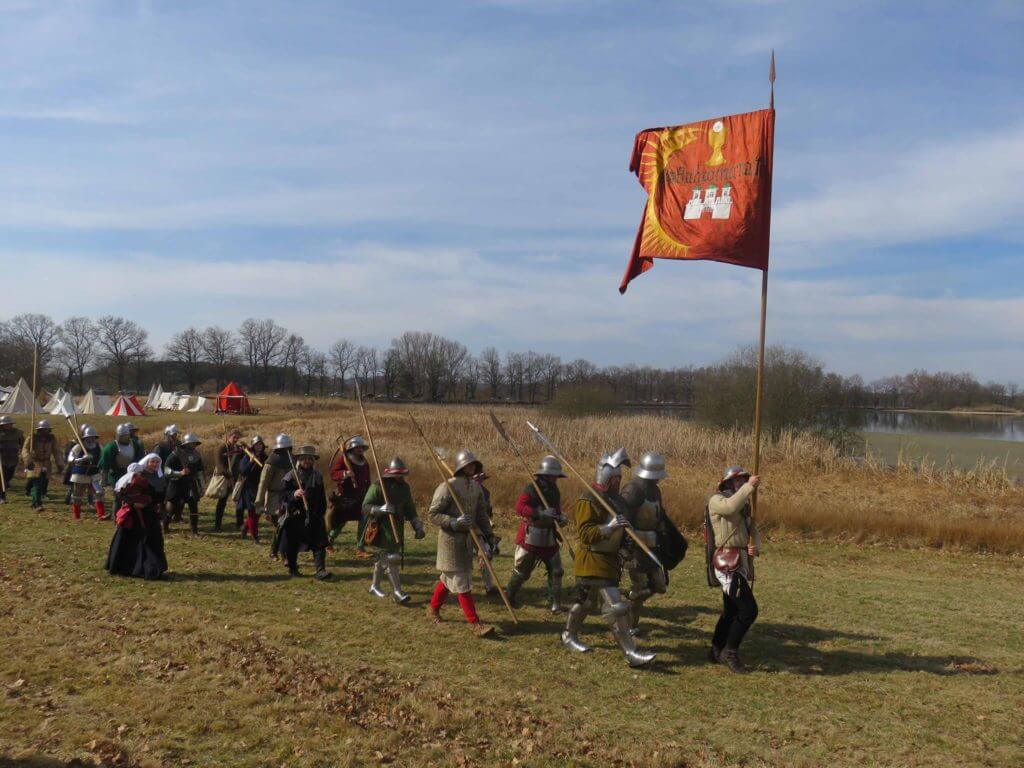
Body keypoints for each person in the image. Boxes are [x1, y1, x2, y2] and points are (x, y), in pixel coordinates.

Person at [561, 449, 656, 668]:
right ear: (606, 478)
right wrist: (610, 526)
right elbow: (586, 534)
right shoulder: (588, 500)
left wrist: (628, 536)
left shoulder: (615, 502)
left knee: (585, 603)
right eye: (616, 478)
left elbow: (621, 533)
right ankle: (631, 653)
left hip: (609, 562)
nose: (619, 482)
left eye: (620, 478)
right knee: (617, 607)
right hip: (592, 560)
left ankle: (568, 635)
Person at [427, 450, 497, 637]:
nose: (471, 467)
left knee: (448, 579)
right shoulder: (447, 486)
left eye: (473, 465)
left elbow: (481, 515)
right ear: (460, 467)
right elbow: (433, 514)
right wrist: (453, 521)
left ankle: (432, 609)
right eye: (468, 465)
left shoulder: (476, 487)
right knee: (462, 581)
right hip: (451, 541)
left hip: (468, 539)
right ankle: (475, 624)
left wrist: (489, 536)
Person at [620, 452, 688, 635]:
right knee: (640, 587)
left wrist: (672, 536)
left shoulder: (655, 490)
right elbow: (623, 523)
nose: (659, 480)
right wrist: (626, 551)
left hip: (652, 545)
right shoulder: (632, 490)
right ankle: (630, 627)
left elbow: (659, 515)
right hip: (634, 547)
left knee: (659, 586)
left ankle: (630, 600)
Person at [705, 466, 762, 674]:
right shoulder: (718, 500)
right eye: (738, 480)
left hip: (740, 560)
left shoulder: (744, 505)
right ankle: (730, 652)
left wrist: (754, 547)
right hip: (726, 562)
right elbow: (729, 508)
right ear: (728, 482)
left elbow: (751, 530)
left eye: (744, 480)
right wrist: (749, 487)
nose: (742, 483)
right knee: (748, 610)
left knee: (731, 611)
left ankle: (716, 649)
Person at [506, 455, 568, 612]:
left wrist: (560, 517)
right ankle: (509, 596)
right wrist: (539, 513)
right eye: (553, 475)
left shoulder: (555, 490)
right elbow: (520, 508)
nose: (555, 478)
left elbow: (556, 510)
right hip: (531, 535)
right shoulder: (532, 488)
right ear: (546, 474)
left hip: (549, 535)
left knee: (556, 570)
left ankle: (555, 603)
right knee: (522, 572)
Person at [360, 457, 425, 604]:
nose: (401, 477)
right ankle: (398, 592)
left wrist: (417, 526)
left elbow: (409, 508)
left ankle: (374, 586)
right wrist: (380, 509)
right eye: (398, 474)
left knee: (383, 558)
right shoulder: (378, 486)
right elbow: (365, 507)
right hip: (382, 527)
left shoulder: (405, 487)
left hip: (397, 527)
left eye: (402, 474)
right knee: (391, 558)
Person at [105, 453, 168, 580]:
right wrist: (133, 504)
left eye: (157, 462)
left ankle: (151, 568)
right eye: (152, 462)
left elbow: (159, 496)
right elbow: (120, 494)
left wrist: (160, 508)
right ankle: (131, 567)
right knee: (132, 541)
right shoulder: (137, 476)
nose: (155, 464)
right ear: (146, 463)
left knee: (152, 541)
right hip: (135, 515)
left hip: (150, 513)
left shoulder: (160, 477)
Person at [278, 445, 331, 580]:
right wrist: (293, 494)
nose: (307, 461)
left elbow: (321, 495)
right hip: (296, 514)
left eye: (310, 459)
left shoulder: (317, 476)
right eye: (304, 458)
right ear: (299, 460)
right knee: (292, 543)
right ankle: (293, 569)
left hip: (314, 514)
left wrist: (321, 512)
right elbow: (282, 495)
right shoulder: (290, 476)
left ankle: (320, 570)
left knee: (319, 543)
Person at [327, 436, 372, 550]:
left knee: (363, 521)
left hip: (360, 497)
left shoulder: (364, 462)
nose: (360, 449)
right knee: (340, 523)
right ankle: (329, 542)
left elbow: (367, 478)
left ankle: (360, 547)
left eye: (361, 447)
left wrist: (369, 492)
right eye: (358, 447)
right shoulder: (343, 459)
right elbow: (333, 473)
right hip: (345, 497)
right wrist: (345, 474)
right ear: (352, 448)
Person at [257, 434, 294, 559]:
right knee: (280, 526)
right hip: (274, 498)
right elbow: (263, 483)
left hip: (288, 497)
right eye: (285, 447)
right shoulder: (271, 462)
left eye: (288, 447)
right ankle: (277, 551)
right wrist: (259, 502)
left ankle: (280, 552)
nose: (286, 450)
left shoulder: (293, 460)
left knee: (284, 526)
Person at [163, 432, 205, 534]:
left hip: (190, 483)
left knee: (193, 506)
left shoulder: (197, 455)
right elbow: (166, 470)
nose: (194, 445)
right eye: (192, 443)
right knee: (172, 506)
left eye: (195, 443)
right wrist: (179, 473)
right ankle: (165, 527)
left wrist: (202, 486)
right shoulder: (176, 454)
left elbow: (199, 472)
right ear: (186, 443)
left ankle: (194, 530)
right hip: (176, 483)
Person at [98, 423, 146, 510]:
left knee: (131, 496)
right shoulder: (111, 447)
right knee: (118, 497)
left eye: (127, 435)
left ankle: (128, 515)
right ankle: (116, 517)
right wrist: (103, 480)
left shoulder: (134, 444)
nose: (125, 437)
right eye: (123, 436)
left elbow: (140, 459)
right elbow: (105, 465)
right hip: (115, 475)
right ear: (118, 436)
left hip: (131, 474)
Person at [67, 426, 108, 521]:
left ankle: (101, 514)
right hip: (80, 473)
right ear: (85, 437)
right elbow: (70, 459)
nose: (92, 438)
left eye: (93, 437)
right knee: (77, 495)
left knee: (99, 493)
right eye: (90, 437)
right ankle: (76, 515)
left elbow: (103, 458)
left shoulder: (99, 446)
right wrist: (82, 459)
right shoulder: (79, 446)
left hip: (94, 473)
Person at [22, 420, 64, 512]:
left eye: (46, 429)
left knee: (42, 484)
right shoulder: (32, 437)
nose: (45, 431)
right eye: (43, 429)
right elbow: (25, 449)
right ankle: (38, 504)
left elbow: (56, 451)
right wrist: (28, 460)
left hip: (46, 463)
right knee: (37, 483)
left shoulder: (52, 438)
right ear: (39, 429)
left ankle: (34, 503)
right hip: (35, 463)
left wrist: (60, 464)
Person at [472, 468, 501, 598]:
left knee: (485, 555)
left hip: (480, 529)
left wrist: (489, 530)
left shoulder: (485, 493)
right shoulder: (464, 492)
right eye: (477, 478)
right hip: (465, 527)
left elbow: (486, 514)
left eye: (481, 478)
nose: (480, 481)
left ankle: (489, 586)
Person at [236, 435, 268, 543]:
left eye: (260, 444)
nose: (259, 446)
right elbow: (243, 472)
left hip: (260, 488)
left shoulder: (265, 457)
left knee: (257, 513)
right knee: (252, 513)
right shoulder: (246, 456)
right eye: (257, 445)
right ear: (253, 446)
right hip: (249, 488)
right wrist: (251, 461)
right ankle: (255, 536)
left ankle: (245, 528)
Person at [211, 428, 244, 532]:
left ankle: (240, 524)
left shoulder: (237, 448)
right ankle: (217, 525)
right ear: (229, 436)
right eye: (234, 437)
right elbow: (219, 465)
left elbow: (243, 459)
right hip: (224, 478)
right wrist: (228, 476)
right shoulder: (221, 448)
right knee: (222, 502)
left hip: (234, 478)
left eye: (237, 437)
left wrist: (245, 449)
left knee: (239, 501)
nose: (236, 439)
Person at [0, 416, 25, 504]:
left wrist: (23, 453)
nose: (7, 426)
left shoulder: (17, 433)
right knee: (2, 479)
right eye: (5, 424)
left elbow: (23, 444)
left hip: (13, 458)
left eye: (9, 424)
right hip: (1, 459)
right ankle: (2, 497)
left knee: (9, 477)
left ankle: (4, 486)